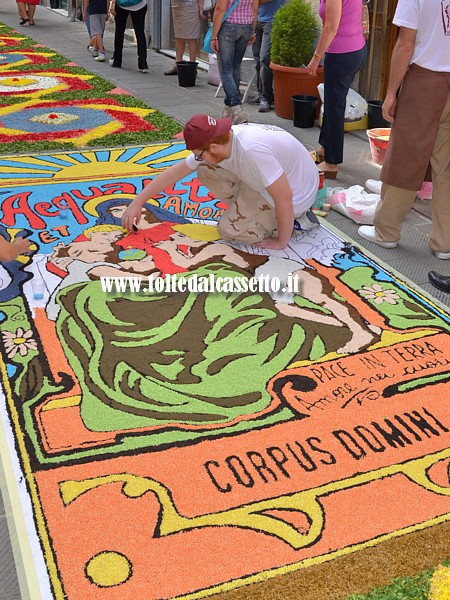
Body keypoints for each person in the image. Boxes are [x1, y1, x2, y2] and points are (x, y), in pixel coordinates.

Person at [122, 114, 319, 250]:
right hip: (271, 183)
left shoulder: (252, 151)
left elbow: (284, 197)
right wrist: (137, 203)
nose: (197, 158)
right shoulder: (226, 140)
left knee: (229, 230)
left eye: (199, 154)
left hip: (295, 197)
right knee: (206, 170)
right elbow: (175, 172)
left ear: (213, 148)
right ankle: (251, 210)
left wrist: (281, 242)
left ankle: (295, 222)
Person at [358, 0, 450, 259]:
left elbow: (405, 44)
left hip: (425, 81)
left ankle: (386, 232)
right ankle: (445, 243)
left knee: (405, 159)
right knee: (447, 167)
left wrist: (391, 93)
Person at [306, 0, 367, 178]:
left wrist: (316, 58)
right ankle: (326, 147)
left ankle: (331, 163)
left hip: (342, 53)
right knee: (333, 103)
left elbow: (331, 26)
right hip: (354, 49)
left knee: (334, 107)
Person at [209, 0, 259, 124]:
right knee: (235, 67)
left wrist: (214, 36)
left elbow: (220, 9)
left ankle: (236, 108)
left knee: (225, 71)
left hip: (229, 26)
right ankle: (228, 110)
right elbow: (255, 9)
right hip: (246, 27)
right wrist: (252, 30)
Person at [248, 0, 286, 113]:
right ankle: (261, 94)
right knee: (257, 59)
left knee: (265, 58)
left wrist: (253, 2)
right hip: (256, 19)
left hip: (271, 20)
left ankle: (266, 97)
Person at [164, 0, 205, 76]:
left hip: (190, 6)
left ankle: (192, 66)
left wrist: (201, 8)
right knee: (178, 37)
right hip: (177, 7)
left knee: (191, 37)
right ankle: (177, 64)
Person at [109, 0, 149, 73]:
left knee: (119, 32)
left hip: (122, 5)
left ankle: (117, 61)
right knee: (140, 33)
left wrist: (113, 3)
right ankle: (143, 64)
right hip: (140, 4)